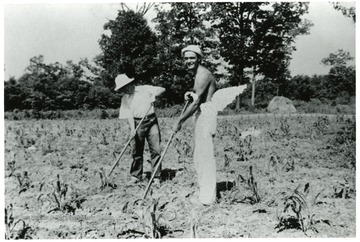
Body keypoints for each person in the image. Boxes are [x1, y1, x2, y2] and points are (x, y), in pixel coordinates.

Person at [173, 45, 217, 206]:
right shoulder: (198, 75)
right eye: (186, 58)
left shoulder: (203, 75)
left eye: (192, 58)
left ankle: (208, 198)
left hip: (206, 116)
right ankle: (205, 192)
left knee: (205, 156)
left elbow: (197, 101)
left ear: (199, 58)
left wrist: (180, 120)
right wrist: (189, 94)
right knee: (199, 156)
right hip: (202, 115)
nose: (189, 61)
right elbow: (197, 94)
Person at [115, 74, 165, 184]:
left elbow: (162, 89)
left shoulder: (144, 89)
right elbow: (128, 114)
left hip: (151, 121)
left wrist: (154, 97)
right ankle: (136, 176)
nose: (123, 90)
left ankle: (156, 176)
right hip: (137, 122)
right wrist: (133, 129)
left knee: (155, 149)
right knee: (136, 150)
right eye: (121, 89)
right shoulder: (125, 98)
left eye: (124, 87)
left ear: (129, 84)